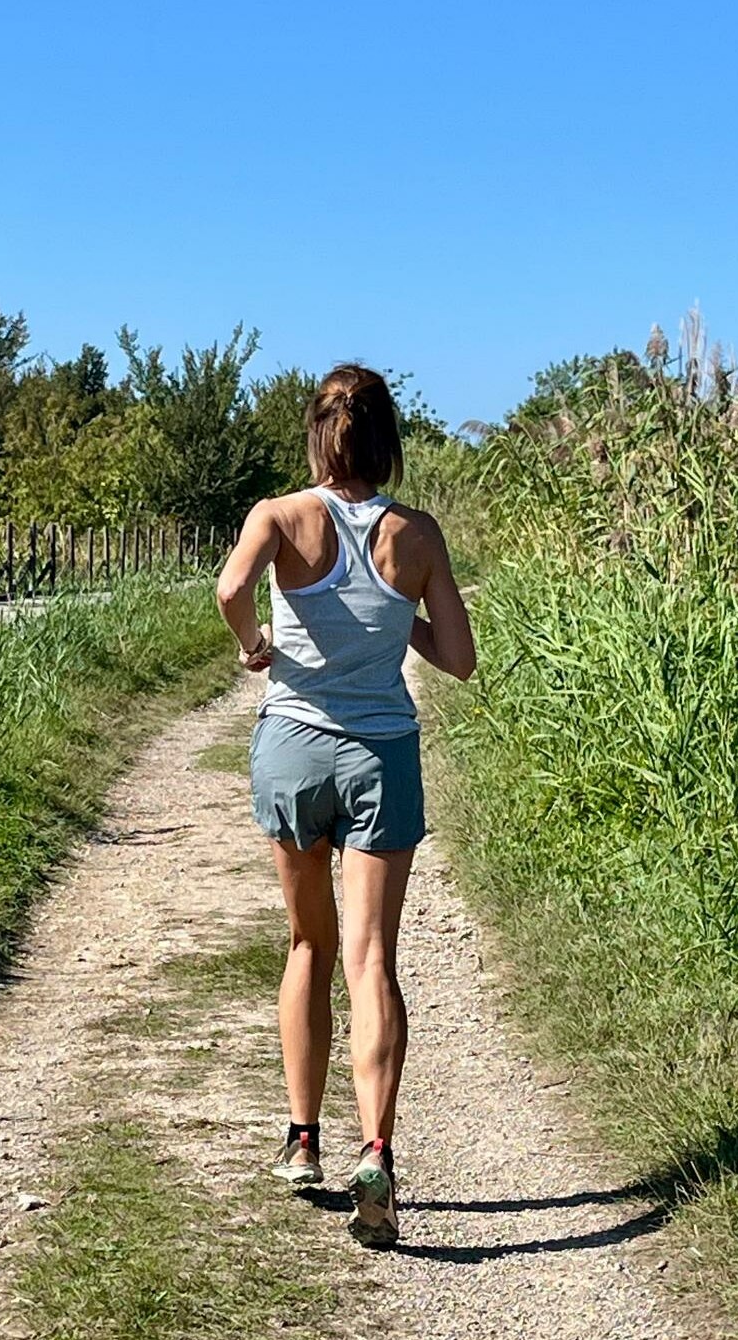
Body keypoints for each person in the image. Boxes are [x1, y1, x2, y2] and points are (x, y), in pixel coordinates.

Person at [215, 363, 476, 1248]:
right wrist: (394, 613)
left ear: (317, 436)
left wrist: (255, 643)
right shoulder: (418, 533)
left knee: (307, 943)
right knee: (371, 959)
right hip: (381, 755)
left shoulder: (280, 516)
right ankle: (377, 1151)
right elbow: (459, 659)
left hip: (293, 746)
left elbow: (230, 589)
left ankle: (301, 1140)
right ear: (385, 439)